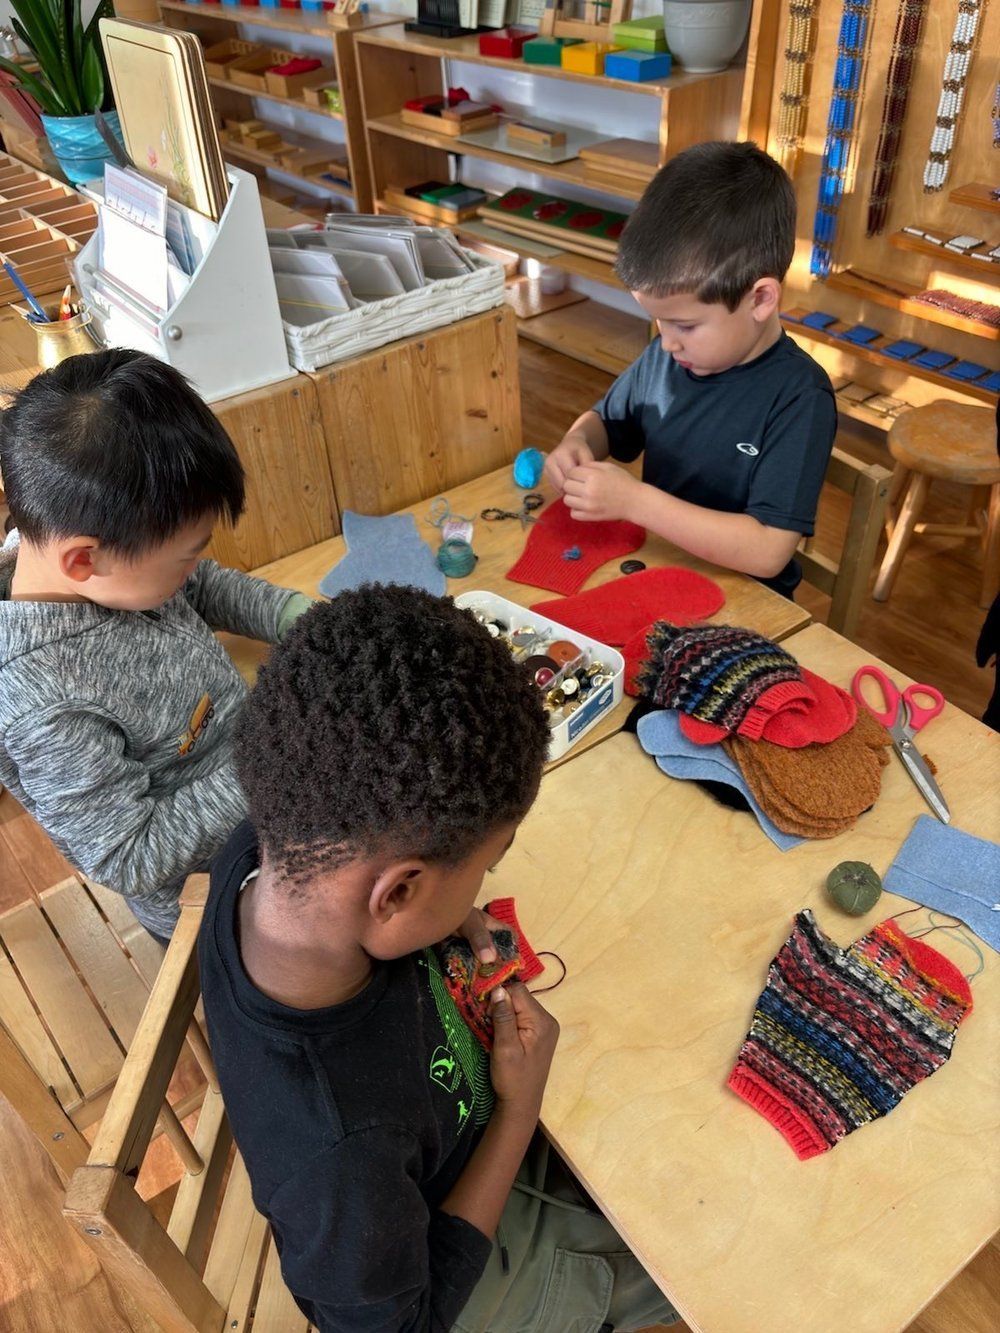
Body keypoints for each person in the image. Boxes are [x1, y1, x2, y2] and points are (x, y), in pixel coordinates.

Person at [200, 585, 677, 1332]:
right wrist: (520, 1111)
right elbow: (410, 1321)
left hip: (445, 1148)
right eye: (485, 868)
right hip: (461, 1265)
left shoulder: (272, 850)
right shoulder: (338, 1158)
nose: (483, 890)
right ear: (395, 895)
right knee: (692, 1254)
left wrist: (448, 912)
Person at [0, 349, 311, 942]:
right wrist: (273, 755)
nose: (195, 564)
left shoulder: (85, 557)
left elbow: (201, 585)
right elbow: (130, 855)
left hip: (270, 780)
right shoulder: (43, 707)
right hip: (220, 894)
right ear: (84, 559)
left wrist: (296, 616)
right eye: (187, 551)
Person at [544, 140, 837, 598]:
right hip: (660, 569)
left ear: (760, 299)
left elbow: (768, 550)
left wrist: (635, 501)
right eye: (658, 320)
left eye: (685, 324)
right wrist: (577, 442)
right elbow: (606, 421)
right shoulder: (668, 355)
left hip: (743, 602)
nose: (666, 339)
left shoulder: (799, 396)